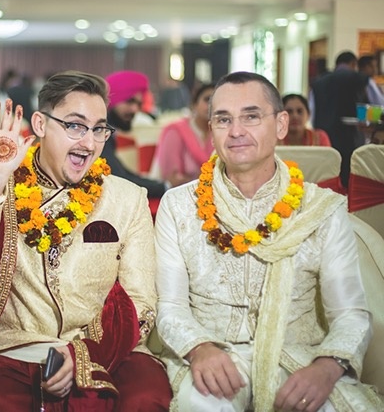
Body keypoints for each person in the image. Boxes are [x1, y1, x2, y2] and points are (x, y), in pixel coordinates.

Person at [154, 71, 382, 411]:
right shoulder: (178, 205)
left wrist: (327, 366)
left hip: (301, 356)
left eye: (251, 116)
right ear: (211, 130)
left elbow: (350, 313)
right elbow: (170, 306)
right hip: (212, 355)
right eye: (223, 119)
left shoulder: (321, 208)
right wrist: (199, 348)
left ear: (281, 124)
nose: (236, 131)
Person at [0, 70, 172, 411]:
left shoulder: (127, 198)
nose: (89, 143)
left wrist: (83, 353)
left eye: (99, 129)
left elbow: (141, 302)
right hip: (15, 345)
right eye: (75, 126)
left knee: (147, 397)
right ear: (40, 124)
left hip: (102, 346)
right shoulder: (2, 186)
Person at [102, 70, 185, 198]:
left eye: (139, 104)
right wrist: (166, 186)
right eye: (129, 101)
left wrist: (163, 184)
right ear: (112, 100)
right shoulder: (98, 133)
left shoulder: (108, 131)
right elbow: (119, 180)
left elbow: (123, 173)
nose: (134, 109)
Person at [310, 50, 368, 187]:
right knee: (350, 178)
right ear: (353, 63)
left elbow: (312, 111)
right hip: (351, 138)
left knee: (328, 177)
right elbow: (378, 103)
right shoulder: (359, 78)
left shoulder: (318, 82)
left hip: (325, 137)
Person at [151, 83, 215, 184]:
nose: (211, 106)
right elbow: (171, 179)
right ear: (194, 104)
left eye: (217, 102)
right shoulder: (175, 131)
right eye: (207, 100)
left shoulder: (222, 134)